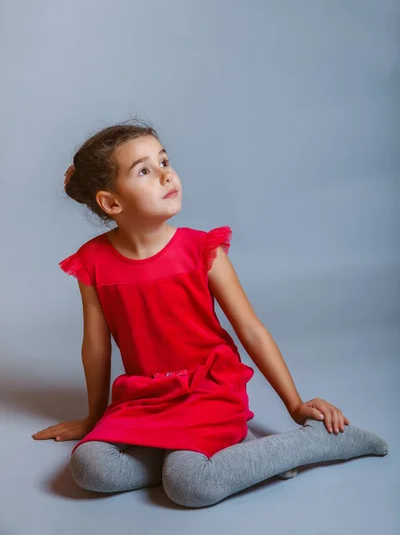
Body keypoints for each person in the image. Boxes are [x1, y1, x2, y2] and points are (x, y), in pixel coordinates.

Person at [32, 120, 388, 508]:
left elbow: (250, 330)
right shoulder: (92, 262)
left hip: (209, 388)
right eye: (145, 170)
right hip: (147, 395)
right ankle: (244, 460)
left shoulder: (202, 249)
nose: (167, 174)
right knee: (90, 467)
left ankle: (316, 443)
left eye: (164, 160)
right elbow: (96, 349)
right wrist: (92, 418)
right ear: (112, 202)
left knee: (189, 485)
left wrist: (295, 404)